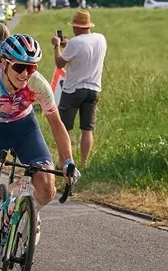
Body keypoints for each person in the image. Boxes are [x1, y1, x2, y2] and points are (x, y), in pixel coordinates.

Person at [0, 34, 81, 271]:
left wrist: (69, 161)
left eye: (31, 67)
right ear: (5, 63)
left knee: (46, 186)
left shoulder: (38, 85)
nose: (25, 73)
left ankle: (30, 212)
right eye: (19, 67)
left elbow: (56, 124)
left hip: (24, 129)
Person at [51, 9, 107, 169]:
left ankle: (64, 164)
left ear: (76, 27)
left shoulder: (75, 43)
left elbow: (60, 63)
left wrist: (57, 46)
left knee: (64, 129)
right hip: (93, 89)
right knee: (87, 129)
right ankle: (84, 164)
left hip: (73, 90)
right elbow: (85, 49)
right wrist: (68, 44)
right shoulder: (100, 39)